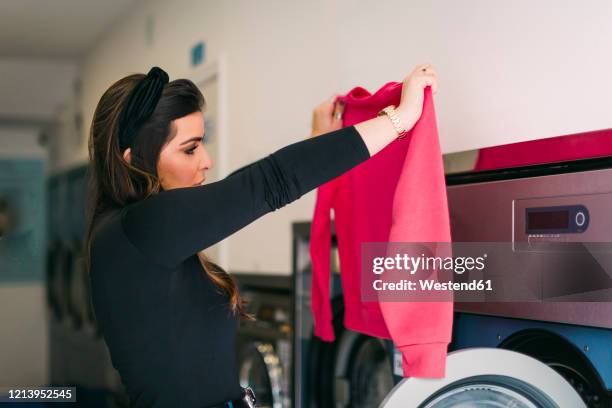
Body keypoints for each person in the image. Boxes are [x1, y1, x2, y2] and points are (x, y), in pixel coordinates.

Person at [86, 64, 438, 408]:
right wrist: (400, 119)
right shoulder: (142, 228)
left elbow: (253, 187)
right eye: (190, 148)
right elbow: (266, 184)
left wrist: (319, 143)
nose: (206, 160)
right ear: (134, 160)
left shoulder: (125, 232)